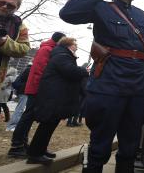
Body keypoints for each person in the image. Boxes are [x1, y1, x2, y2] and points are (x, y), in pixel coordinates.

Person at [59, 0, 144, 173]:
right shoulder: (101, 8)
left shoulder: (141, 15)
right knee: (100, 144)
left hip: (136, 87)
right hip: (109, 84)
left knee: (131, 144)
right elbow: (67, 13)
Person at [26, 37, 88, 165]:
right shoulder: (62, 56)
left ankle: (41, 150)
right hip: (53, 97)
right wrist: (84, 71)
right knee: (46, 125)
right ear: (69, 45)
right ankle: (35, 154)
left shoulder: (62, 54)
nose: (76, 46)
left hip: (56, 96)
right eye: (75, 44)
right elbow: (70, 71)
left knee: (50, 125)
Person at [8, 31, 65, 157]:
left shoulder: (51, 49)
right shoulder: (46, 49)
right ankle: (16, 146)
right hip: (37, 89)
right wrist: (42, 89)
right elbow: (40, 70)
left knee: (30, 116)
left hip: (39, 88)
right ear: (58, 40)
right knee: (28, 116)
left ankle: (23, 143)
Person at [0, 0, 30, 99]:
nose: (4, 6)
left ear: (16, 9)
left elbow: (24, 49)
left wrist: (4, 43)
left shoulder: (19, 26)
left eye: (10, 6)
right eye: (1, 2)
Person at [6, 63, 31, 131]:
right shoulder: (29, 70)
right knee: (20, 109)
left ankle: (18, 124)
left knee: (21, 109)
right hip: (24, 91)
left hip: (23, 91)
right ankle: (11, 126)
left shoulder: (27, 69)